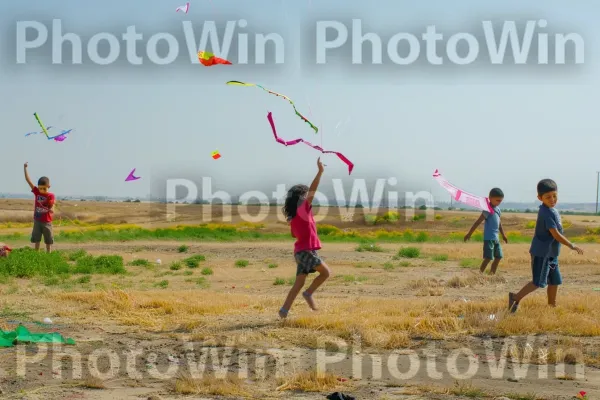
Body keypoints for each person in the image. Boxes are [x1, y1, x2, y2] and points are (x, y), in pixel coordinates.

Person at [508, 179, 583, 312]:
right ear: (539, 198)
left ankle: (551, 306)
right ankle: (515, 298)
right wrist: (571, 245)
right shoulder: (546, 212)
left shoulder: (552, 210)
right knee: (538, 282)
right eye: (548, 197)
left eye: (554, 196)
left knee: (555, 281)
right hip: (542, 253)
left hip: (552, 254)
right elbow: (555, 234)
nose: (552, 199)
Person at [279, 158, 331, 319]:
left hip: (299, 252)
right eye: (305, 194)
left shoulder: (294, 217)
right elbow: (313, 191)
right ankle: (308, 294)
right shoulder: (304, 209)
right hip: (307, 252)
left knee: (298, 283)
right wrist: (320, 171)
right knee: (326, 273)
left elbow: (294, 235)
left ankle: (284, 311)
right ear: (301, 198)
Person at [464, 188, 508, 275]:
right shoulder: (487, 210)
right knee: (488, 258)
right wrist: (469, 234)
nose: (499, 202)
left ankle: (492, 275)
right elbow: (477, 222)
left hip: (496, 238)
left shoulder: (498, 210)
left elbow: (499, 224)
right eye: (497, 200)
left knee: (498, 257)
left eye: (501, 201)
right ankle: (479, 275)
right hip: (489, 238)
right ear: (490, 198)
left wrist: (503, 235)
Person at [23, 162, 55, 252]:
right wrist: (25, 168)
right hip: (37, 221)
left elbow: (52, 205)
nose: (42, 190)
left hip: (47, 222)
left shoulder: (51, 195)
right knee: (36, 240)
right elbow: (28, 180)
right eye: (40, 188)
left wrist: (51, 209)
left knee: (48, 240)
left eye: (44, 188)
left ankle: (48, 254)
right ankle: (36, 254)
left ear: (48, 186)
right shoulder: (37, 192)